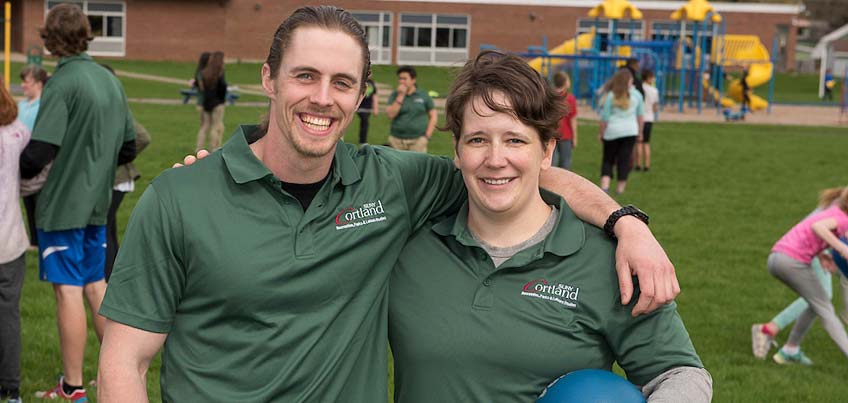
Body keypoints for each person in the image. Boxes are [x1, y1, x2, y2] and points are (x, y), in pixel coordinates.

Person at [97, 6, 679, 402]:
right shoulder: (179, 200)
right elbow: (124, 362)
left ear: (362, 94)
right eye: (305, 75)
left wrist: (626, 223)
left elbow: (520, 172)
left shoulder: (393, 184)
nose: (322, 98)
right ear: (270, 80)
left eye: (342, 82)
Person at [388, 50, 711, 403]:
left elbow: (680, 373)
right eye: (478, 139)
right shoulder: (409, 244)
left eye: (515, 140)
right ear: (457, 149)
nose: (496, 160)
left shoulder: (608, 259)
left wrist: (627, 224)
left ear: (546, 151)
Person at [18, 4, 136, 400]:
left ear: (50, 39)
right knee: (94, 285)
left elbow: (38, 153)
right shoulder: (109, 80)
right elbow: (129, 146)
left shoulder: (62, 83)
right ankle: (117, 375)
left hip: (65, 206)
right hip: (98, 205)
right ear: (86, 34)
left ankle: (73, 387)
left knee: (68, 290)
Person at [755, 186, 848, 364]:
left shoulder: (834, 210)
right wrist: (841, 247)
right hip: (792, 263)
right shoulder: (843, 219)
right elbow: (817, 227)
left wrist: (822, 255)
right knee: (826, 310)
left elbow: (807, 232)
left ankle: (790, 349)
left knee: (817, 302)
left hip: (777, 258)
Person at [100, 64, 152, 282]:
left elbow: (142, 137)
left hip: (117, 179)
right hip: (114, 180)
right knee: (109, 228)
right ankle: (116, 275)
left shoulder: (114, 107)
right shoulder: (107, 105)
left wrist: (114, 159)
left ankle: (108, 277)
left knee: (104, 228)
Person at [0, 80, 29, 403]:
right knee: (8, 313)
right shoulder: (18, 131)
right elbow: (35, 173)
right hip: (9, 237)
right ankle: (11, 389)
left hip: (9, 239)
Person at [17, 65, 49, 251]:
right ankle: (34, 241)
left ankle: (42, 239)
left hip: (39, 159)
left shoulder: (44, 106)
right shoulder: (21, 105)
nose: (22, 85)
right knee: (27, 200)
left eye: (26, 82)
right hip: (22, 159)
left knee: (39, 200)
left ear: (38, 83)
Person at [599, 69, 643, 195]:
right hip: (630, 131)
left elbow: (605, 118)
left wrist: (601, 133)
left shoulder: (611, 96)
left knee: (608, 159)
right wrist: (640, 131)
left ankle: (605, 186)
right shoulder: (637, 95)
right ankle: (620, 189)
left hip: (612, 131)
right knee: (624, 159)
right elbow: (640, 116)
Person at [386, 65, 436, 152]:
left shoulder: (423, 95)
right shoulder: (395, 95)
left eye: (405, 79)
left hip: (417, 141)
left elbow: (433, 116)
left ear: (413, 80)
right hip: (396, 141)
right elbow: (390, 115)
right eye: (400, 78)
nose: (401, 81)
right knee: (397, 165)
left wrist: (427, 136)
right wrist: (401, 95)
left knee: (417, 165)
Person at [195, 51, 227, 151]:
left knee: (204, 126)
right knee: (215, 126)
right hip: (217, 102)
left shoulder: (204, 72)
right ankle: (213, 148)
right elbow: (223, 87)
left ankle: (199, 148)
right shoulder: (219, 72)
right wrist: (222, 100)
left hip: (206, 102)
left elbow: (201, 87)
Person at [552, 71, 577, 170]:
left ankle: (547, 184)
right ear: (566, 83)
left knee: (550, 160)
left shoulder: (549, 96)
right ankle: (561, 184)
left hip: (551, 133)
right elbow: (573, 119)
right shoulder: (570, 98)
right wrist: (575, 137)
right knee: (565, 161)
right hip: (565, 134)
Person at [635, 69, 658, 172]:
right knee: (646, 143)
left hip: (639, 118)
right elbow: (655, 107)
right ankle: (647, 165)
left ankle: (638, 164)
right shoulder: (654, 91)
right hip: (649, 119)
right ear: (648, 78)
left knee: (639, 142)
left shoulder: (638, 89)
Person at [357, 77, 378, 144]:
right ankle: (362, 141)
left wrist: (375, 108)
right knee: (364, 121)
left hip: (368, 108)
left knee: (365, 123)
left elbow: (374, 95)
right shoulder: (360, 80)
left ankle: (362, 141)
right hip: (360, 107)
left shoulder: (372, 83)